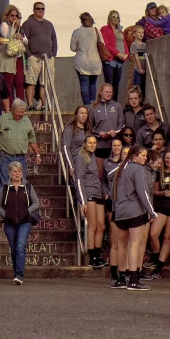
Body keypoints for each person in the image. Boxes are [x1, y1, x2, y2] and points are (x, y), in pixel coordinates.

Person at [107, 142, 156, 291]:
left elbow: (113, 192)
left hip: (120, 211)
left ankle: (121, 278)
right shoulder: (138, 170)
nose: (145, 159)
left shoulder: (120, 169)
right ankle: (134, 279)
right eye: (143, 156)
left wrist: (116, 209)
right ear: (135, 156)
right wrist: (151, 211)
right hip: (135, 211)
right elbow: (143, 193)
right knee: (135, 244)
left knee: (122, 245)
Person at [71, 115, 110, 268]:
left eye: (94, 142)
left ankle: (98, 254)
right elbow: (79, 180)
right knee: (92, 225)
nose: (93, 145)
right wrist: (82, 200)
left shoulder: (94, 157)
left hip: (98, 192)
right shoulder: (82, 157)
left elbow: (99, 178)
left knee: (101, 226)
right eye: (90, 142)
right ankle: (92, 256)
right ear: (85, 144)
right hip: (89, 194)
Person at [0, 158, 41, 283]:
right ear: (10, 173)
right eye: (14, 171)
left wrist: (27, 211)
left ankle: (19, 275)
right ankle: (16, 271)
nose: (17, 174)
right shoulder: (5, 188)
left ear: (22, 172)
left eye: (19, 171)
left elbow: (36, 203)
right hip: (9, 223)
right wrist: (6, 214)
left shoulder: (28, 186)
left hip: (24, 222)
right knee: (14, 248)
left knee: (20, 247)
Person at [0, 94, 36, 190]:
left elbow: (32, 139)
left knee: (21, 184)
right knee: (4, 184)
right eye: (18, 112)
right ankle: (3, 204)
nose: (20, 114)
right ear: (12, 109)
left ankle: (18, 204)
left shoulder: (27, 121)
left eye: (22, 112)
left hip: (21, 158)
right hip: (5, 157)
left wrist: (37, 154)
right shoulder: (3, 119)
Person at [148, 149, 170, 274]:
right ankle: (156, 256)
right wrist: (163, 193)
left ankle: (159, 266)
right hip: (161, 207)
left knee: (168, 238)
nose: (168, 161)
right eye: (166, 158)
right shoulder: (158, 173)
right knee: (153, 234)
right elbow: (155, 192)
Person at [21, 1, 59, 110]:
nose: (40, 10)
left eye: (42, 9)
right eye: (38, 9)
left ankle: (44, 105)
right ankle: (30, 104)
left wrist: (53, 54)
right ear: (34, 10)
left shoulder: (49, 24)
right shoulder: (28, 23)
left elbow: (54, 39)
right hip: (34, 57)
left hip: (47, 58)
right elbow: (24, 40)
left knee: (45, 83)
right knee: (30, 82)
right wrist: (29, 55)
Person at [69, 11, 104, 108]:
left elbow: (72, 48)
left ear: (81, 20)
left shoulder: (77, 32)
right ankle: (93, 104)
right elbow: (102, 43)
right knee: (93, 84)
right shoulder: (96, 30)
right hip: (95, 61)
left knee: (84, 84)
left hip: (82, 61)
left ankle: (86, 106)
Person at [0, 5, 27, 103]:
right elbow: (7, 37)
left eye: (17, 16)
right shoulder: (4, 25)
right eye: (12, 15)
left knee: (19, 83)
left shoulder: (20, 28)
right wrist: (14, 29)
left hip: (18, 57)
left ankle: (21, 105)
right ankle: (10, 105)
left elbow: (25, 41)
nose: (14, 18)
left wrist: (18, 35)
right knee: (8, 83)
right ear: (7, 15)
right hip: (7, 57)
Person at [98, 10, 126, 95]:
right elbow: (106, 44)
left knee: (116, 85)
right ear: (109, 17)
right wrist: (118, 53)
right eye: (113, 16)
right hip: (110, 60)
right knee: (108, 85)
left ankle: (114, 104)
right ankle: (107, 104)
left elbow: (124, 43)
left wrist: (126, 54)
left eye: (117, 17)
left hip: (119, 61)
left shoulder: (119, 30)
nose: (115, 19)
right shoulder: (104, 29)